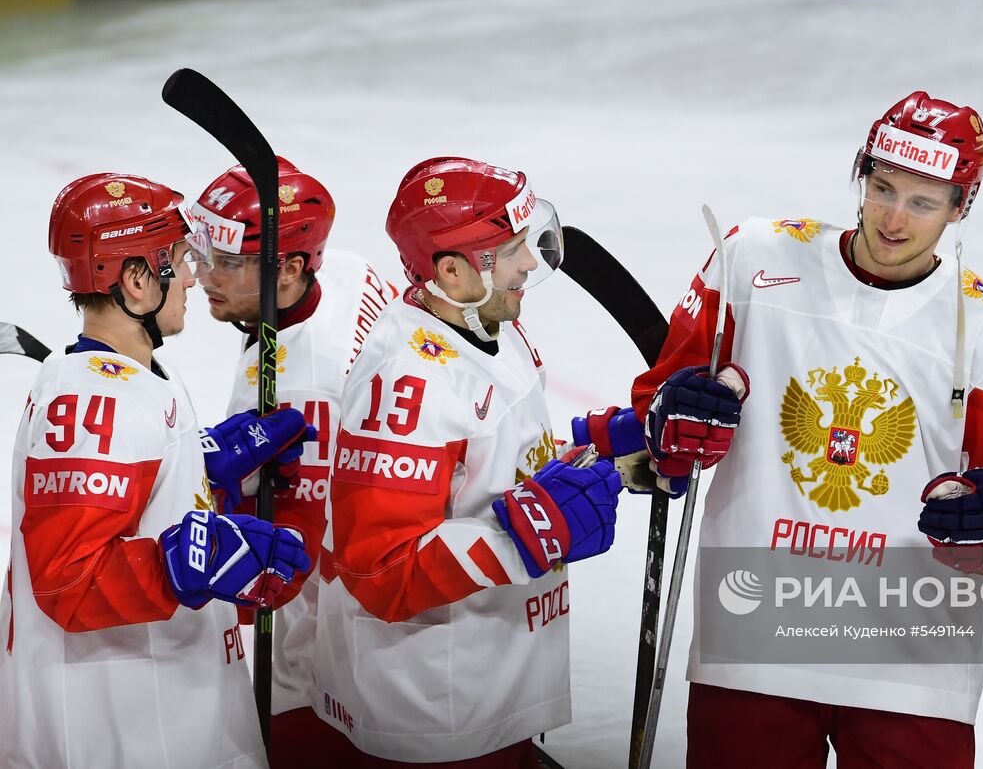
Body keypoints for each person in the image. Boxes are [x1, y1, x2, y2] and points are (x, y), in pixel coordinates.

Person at [630, 92, 983, 768]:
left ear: (962, 207)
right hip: (753, 643)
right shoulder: (753, 257)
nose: (893, 218)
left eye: (923, 202)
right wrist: (676, 417)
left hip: (914, 664)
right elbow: (658, 409)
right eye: (881, 188)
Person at [313, 157, 624, 767]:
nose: (530, 263)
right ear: (451, 271)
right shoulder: (405, 382)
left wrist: (605, 450)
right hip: (431, 709)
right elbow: (378, 570)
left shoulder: (489, 326)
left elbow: (491, 470)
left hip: (490, 682)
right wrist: (524, 536)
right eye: (509, 250)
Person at [0, 173, 312, 768]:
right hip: (119, 734)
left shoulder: (119, 383)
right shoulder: (95, 403)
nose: (192, 276)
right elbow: (68, 578)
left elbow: (122, 496)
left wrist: (203, 463)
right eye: (178, 260)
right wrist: (187, 560)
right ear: (138, 281)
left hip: (151, 715)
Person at [189, 156, 398, 767]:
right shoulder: (349, 271)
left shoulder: (297, 390)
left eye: (227, 263)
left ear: (290, 267)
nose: (203, 275)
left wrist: (219, 495)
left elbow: (291, 557)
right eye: (205, 253)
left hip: (314, 670)